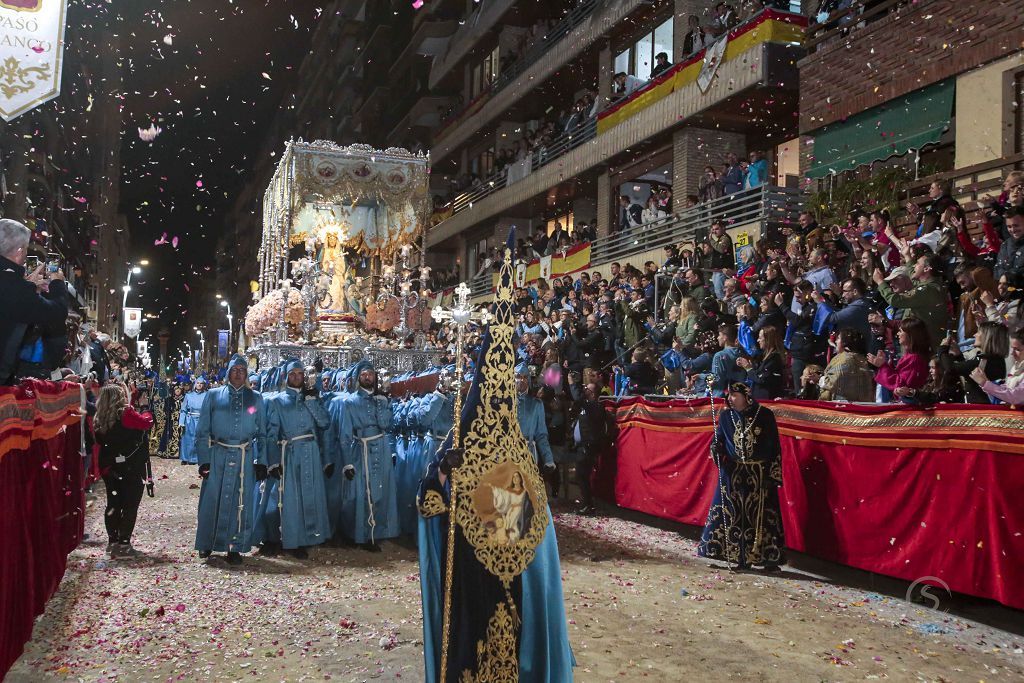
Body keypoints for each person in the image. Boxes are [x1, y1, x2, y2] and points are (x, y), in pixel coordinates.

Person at [698, 382, 784, 571]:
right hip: (734, 472)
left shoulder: (765, 415)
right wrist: (716, 447)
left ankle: (767, 560)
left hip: (759, 473)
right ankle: (738, 558)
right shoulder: (726, 416)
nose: (730, 398)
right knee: (734, 514)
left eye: (735, 395)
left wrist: (773, 474)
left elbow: (775, 447)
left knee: (762, 516)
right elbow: (719, 438)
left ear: (746, 396)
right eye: (729, 395)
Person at [194, 354, 269, 566]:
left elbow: (262, 432)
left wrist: (261, 461)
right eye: (234, 370)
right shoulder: (213, 396)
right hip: (219, 453)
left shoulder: (255, 399)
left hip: (245, 456)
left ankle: (235, 547)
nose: (238, 374)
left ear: (246, 374)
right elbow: (203, 431)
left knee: (241, 501)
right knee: (211, 498)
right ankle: (206, 542)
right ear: (228, 373)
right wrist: (204, 460)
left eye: (242, 371)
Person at [264, 360, 333, 558]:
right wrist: (274, 461)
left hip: (310, 451)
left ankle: (308, 537)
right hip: (290, 452)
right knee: (291, 497)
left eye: (299, 374)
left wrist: (312, 402)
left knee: (310, 494)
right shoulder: (277, 401)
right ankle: (289, 539)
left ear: (304, 377)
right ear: (286, 377)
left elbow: (325, 423)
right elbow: (272, 433)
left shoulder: (312, 399)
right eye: (292, 374)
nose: (296, 377)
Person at [337, 360, 399, 551]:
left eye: (370, 374)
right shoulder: (349, 403)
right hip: (360, 448)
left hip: (380, 448)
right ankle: (356, 533)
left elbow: (386, 425)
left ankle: (375, 533)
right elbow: (345, 434)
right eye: (364, 374)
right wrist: (347, 462)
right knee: (358, 493)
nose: (367, 377)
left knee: (380, 490)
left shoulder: (382, 400)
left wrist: (383, 402)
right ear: (358, 378)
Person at [0, 219, 70, 385]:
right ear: (19, 251)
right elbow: (57, 311)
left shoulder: (15, 284)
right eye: (26, 249)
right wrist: (57, 283)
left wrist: (28, 287)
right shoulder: (14, 287)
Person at [94, 384, 154, 558]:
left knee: (113, 502)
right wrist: (144, 408)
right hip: (129, 465)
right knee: (130, 504)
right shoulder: (125, 413)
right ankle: (124, 542)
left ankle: (112, 541)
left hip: (108, 465)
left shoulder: (100, 417)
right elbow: (146, 422)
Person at [571, 381, 612, 515]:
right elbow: (577, 403)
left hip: (588, 447)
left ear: (593, 393)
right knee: (581, 476)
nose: (584, 390)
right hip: (582, 446)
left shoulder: (595, 407)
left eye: (587, 389)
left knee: (582, 476)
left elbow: (578, 398)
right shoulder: (586, 406)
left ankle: (588, 505)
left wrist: (573, 385)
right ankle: (587, 503)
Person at [868, 318, 931, 403]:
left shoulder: (914, 359)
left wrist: (883, 366)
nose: (898, 334)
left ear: (910, 335)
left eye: (900, 331)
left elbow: (901, 385)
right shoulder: (910, 356)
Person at [819, 328, 875, 402]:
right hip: (862, 406)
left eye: (838, 338)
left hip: (842, 406)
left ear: (845, 342)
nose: (835, 341)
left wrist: (820, 379)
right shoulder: (861, 359)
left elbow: (834, 383)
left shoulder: (845, 359)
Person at [971, 328, 1024, 404]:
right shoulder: (1017, 366)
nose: (1012, 353)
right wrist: (987, 382)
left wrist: (985, 383)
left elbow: (1015, 397)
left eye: (1017, 349)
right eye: (1012, 349)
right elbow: (1008, 390)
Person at [736, 326, 786, 400]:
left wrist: (748, 367)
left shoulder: (774, 358)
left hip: (768, 401)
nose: (757, 340)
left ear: (768, 340)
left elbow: (761, 379)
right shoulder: (763, 357)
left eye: (760, 338)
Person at [178, 377, 207, 465]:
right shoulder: (188, 395)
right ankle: (186, 457)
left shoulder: (207, 395)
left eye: (201, 383)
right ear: (195, 384)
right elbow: (183, 410)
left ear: (203, 385)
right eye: (197, 383)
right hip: (190, 419)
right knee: (188, 439)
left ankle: (198, 458)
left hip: (201, 419)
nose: (199, 385)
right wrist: (181, 422)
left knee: (200, 439)